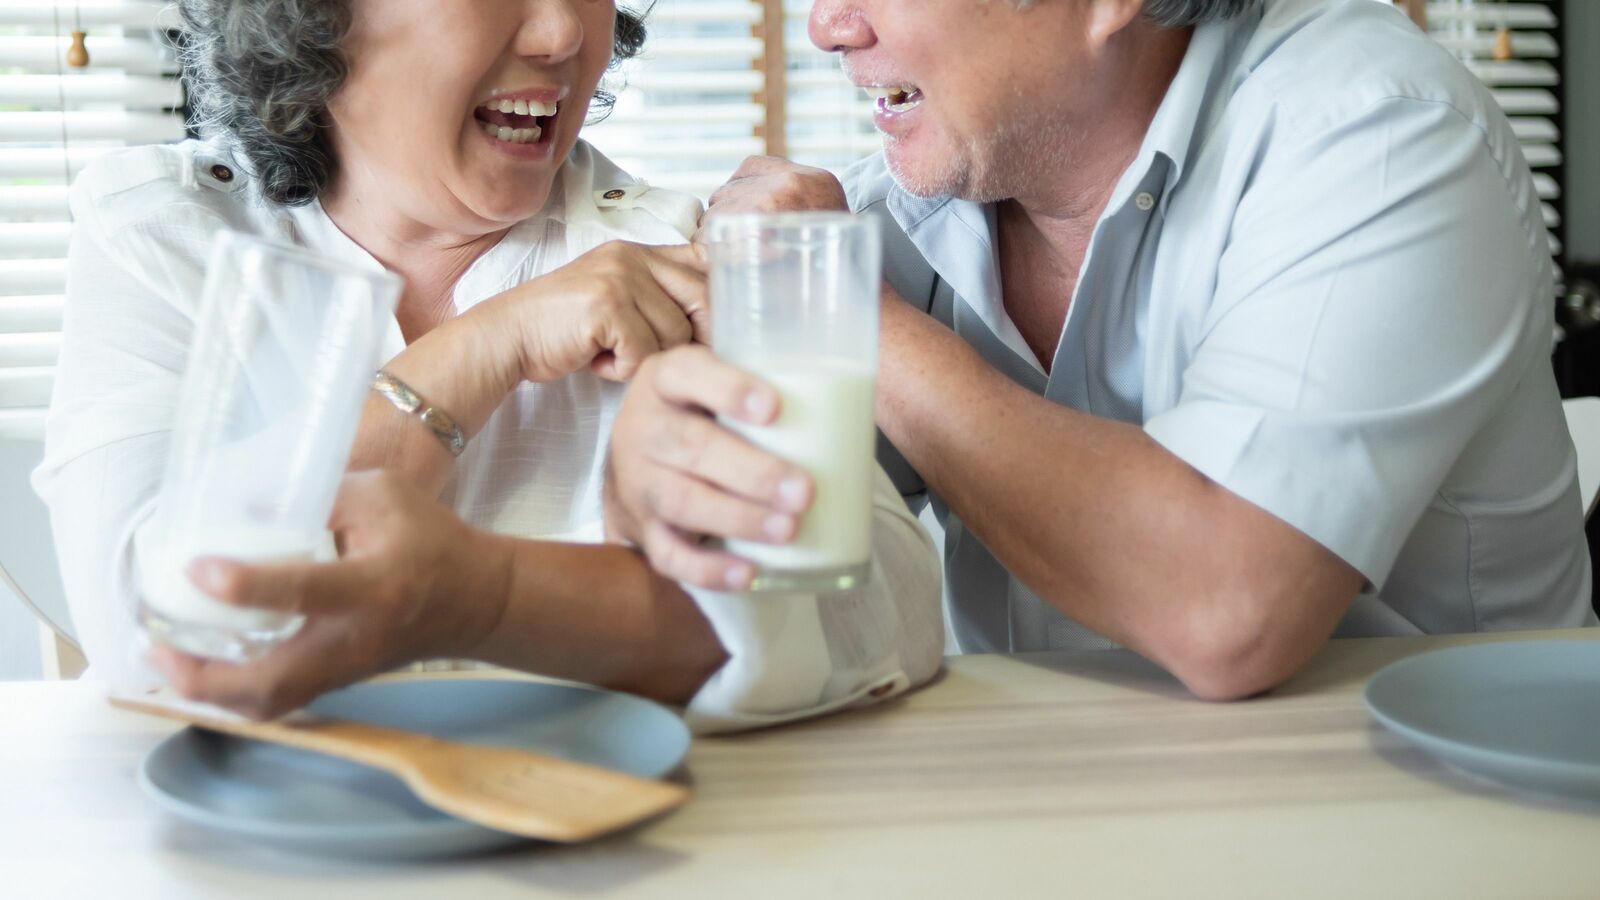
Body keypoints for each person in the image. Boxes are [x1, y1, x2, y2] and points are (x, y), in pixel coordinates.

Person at [603, 0, 1596, 701]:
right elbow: (756, 562)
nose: (826, 23)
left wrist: (862, 328)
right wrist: (657, 470)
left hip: (1439, 821)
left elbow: (1226, 605)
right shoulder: (906, 211)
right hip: (1055, 807)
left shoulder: (1380, 129)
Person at [33, 0, 942, 729]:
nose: (561, 33)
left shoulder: (671, 259)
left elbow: (884, 617)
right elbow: (150, 642)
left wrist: (489, 595)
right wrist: (486, 347)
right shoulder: (162, 235)